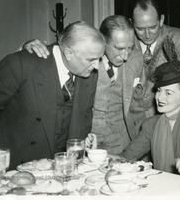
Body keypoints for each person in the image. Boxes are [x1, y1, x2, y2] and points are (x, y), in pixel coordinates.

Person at [0, 21, 105, 170]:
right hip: (17, 168)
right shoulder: (22, 64)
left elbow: (84, 117)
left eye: (99, 58)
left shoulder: (89, 74)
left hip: (62, 170)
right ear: (68, 53)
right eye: (91, 59)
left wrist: (82, 145)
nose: (96, 66)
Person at [21, 15, 144, 154]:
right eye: (120, 48)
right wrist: (29, 46)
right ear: (103, 40)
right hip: (85, 142)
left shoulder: (136, 59)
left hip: (121, 142)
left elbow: (137, 105)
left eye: (130, 48)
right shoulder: (83, 60)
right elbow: (64, 50)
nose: (126, 55)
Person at [89, 59, 180, 180]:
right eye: (159, 90)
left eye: (168, 93)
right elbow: (126, 157)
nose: (160, 97)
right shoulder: (151, 124)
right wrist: (96, 153)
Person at [128, 0, 180, 131]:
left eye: (152, 27)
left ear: (161, 20)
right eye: (140, 29)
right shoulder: (125, 42)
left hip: (167, 126)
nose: (147, 35)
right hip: (133, 128)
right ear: (132, 23)